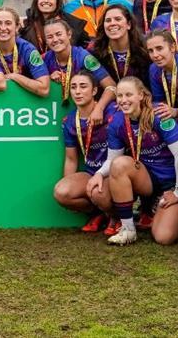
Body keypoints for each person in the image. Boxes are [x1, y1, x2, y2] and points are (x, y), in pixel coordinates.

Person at [98, 77, 178, 246]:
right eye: (119, 96)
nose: (123, 100)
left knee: (164, 237)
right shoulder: (117, 122)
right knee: (119, 165)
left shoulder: (159, 115)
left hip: (172, 182)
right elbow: (112, 159)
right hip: (148, 179)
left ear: (140, 95)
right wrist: (98, 174)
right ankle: (128, 229)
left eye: (128, 95)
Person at [53, 72, 121, 234]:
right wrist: (69, 184)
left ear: (94, 91)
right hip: (91, 172)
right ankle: (99, 213)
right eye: (73, 87)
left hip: (115, 172)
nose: (77, 92)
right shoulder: (69, 121)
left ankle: (117, 217)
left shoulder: (112, 111)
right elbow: (71, 159)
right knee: (61, 193)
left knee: (98, 193)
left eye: (83, 87)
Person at [42, 19, 115, 112]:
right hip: (55, 113)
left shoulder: (85, 58)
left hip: (88, 112)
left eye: (59, 34)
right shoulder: (44, 59)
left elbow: (112, 87)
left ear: (69, 34)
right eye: (50, 37)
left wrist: (99, 109)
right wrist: (48, 79)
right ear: (46, 41)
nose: (55, 40)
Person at [0, 7, 50, 97]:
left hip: (22, 105)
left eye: (8, 23)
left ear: (17, 27)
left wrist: (14, 77)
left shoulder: (27, 50)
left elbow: (44, 89)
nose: (3, 28)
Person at [90, 6, 152, 87]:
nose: (112, 23)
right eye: (108, 20)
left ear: (129, 24)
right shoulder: (94, 51)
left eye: (118, 19)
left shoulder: (145, 48)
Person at [20, 0, 88, 52]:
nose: (46, 1)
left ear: (57, 1)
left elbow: (85, 48)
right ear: (37, 1)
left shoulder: (73, 24)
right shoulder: (26, 25)